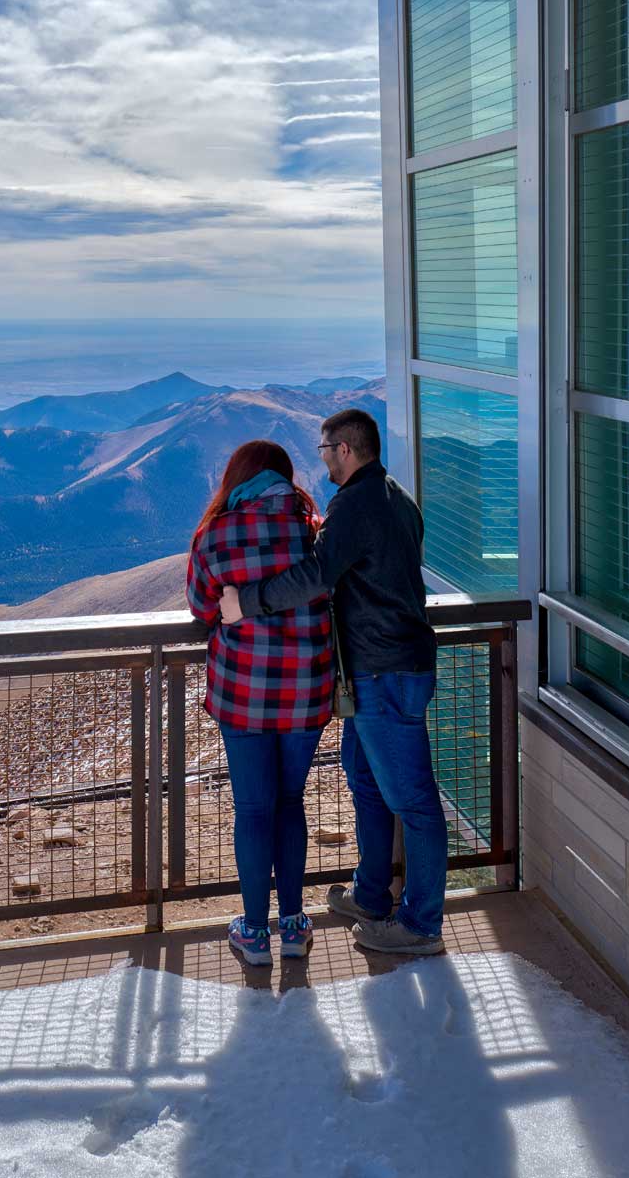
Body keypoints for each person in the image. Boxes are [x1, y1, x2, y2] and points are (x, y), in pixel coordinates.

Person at [219, 408, 447, 956]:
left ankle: (421, 925)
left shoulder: (354, 505)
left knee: (413, 800)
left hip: (382, 671)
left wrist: (245, 603)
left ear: (345, 449)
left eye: (324, 449)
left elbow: (317, 575)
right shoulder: (396, 497)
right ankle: (371, 896)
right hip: (390, 666)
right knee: (366, 782)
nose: (319, 459)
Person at [186, 439, 333, 966]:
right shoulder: (313, 531)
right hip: (306, 689)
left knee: (252, 807)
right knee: (290, 801)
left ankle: (253, 933)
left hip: (243, 691)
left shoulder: (215, 535)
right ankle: (293, 926)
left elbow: (204, 607)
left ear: (237, 478)